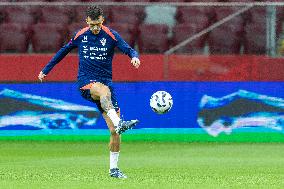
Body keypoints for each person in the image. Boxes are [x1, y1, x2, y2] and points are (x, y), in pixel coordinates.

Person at [38, 5, 141, 179]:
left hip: (106, 87)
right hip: (86, 83)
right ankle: (120, 122)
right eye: (92, 24)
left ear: (103, 20)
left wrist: (134, 57)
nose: (95, 28)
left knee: (114, 131)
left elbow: (129, 49)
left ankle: (114, 170)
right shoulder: (80, 35)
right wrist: (46, 70)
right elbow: (63, 51)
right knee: (103, 91)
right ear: (87, 21)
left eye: (98, 24)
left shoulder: (111, 35)